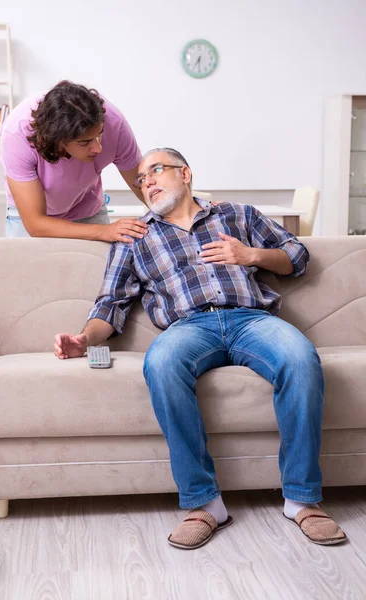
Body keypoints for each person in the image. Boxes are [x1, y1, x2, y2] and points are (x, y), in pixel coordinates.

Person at [53, 147, 346, 549]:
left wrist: (251, 255)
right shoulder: (136, 237)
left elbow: (298, 255)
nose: (147, 181)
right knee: (161, 363)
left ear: (185, 174)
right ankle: (205, 504)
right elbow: (111, 304)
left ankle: (302, 500)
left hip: (252, 319)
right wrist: (84, 339)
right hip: (188, 326)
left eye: (156, 170)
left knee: (300, 357)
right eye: (141, 178)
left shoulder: (237, 215)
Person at [0, 80, 148, 243]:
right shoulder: (17, 136)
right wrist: (103, 231)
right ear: (58, 141)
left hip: (86, 208)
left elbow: (143, 187)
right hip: (32, 216)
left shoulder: (114, 123)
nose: (98, 148)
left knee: (98, 267)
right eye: (85, 142)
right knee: (31, 268)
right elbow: (36, 224)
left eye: (100, 134)